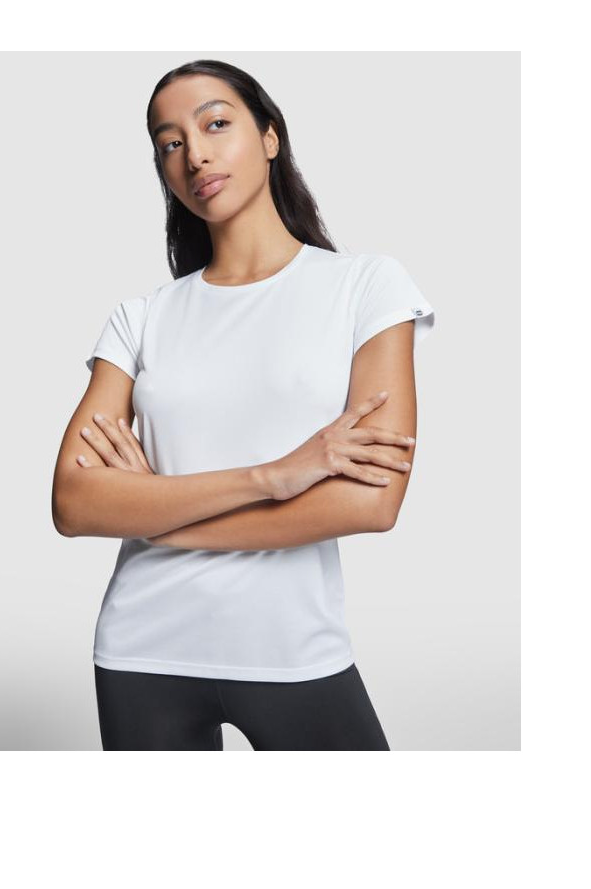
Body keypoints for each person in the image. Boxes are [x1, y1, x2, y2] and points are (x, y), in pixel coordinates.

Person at [51, 59, 435, 750]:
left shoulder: (367, 287)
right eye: (170, 143)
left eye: (216, 124)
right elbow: (75, 505)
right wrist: (274, 476)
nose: (194, 154)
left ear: (269, 136)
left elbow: (370, 502)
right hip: (142, 650)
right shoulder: (142, 318)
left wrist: (156, 517)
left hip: (295, 651)